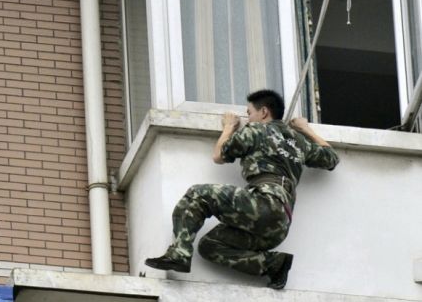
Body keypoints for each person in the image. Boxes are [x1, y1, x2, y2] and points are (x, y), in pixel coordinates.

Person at [145, 89, 339, 289]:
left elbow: (219, 155)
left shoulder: (256, 130)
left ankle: (179, 254)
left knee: (197, 194)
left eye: (249, 113)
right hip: (280, 224)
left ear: (263, 112)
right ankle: (273, 264)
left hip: (263, 202)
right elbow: (331, 158)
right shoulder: (299, 143)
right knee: (210, 246)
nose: (248, 118)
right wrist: (305, 129)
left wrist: (229, 127)